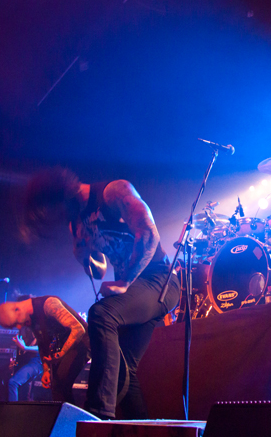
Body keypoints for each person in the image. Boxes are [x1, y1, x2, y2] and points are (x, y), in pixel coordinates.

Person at [22, 168, 180, 419]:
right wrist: (85, 256)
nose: (61, 218)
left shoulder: (114, 193)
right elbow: (99, 270)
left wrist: (125, 282)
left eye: (59, 211)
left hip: (160, 281)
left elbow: (149, 234)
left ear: (64, 196)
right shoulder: (76, 223)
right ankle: (141, 429)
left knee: (101, 314)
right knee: (123, 370)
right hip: (136, 290)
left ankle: (97, 414)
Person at [0, 296, 90, 405]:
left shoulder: (49, 304)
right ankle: (62, 414)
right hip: (66, 346)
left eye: (16, 322)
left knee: (60, 384)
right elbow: (42, 344)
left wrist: (60, 354)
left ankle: (67, 415)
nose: (19, 327)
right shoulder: (31, 317)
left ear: (18, 309)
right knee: (56, 386)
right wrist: (46, 370)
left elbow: (78, 329)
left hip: (82, 342)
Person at [7, 294, 44, 402]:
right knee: (23, 393)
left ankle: (12, 411)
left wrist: (25, 347)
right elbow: (20, 346)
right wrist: (15, 360)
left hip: (36, 361)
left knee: (13, 383)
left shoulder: (39, 323)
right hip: (25, 360)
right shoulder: (23, 324)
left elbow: (44, 348)